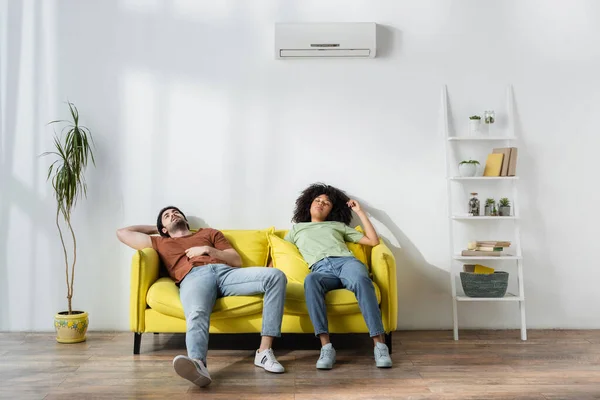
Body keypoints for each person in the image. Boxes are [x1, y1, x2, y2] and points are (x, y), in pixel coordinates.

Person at [116, 206, 287, 387]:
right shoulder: (160, 242)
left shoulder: (209, 233)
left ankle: (264, 351)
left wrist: (208, 250)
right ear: (163, 229)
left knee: (275, 276)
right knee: (197, 311)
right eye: (167, 216)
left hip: (226, 273)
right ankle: (198, 365)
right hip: (193, 277)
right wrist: (156, 229)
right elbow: (122, 232)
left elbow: (236, 261)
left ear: (185, 220)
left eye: (176, 212)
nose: (173, 215)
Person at [285, 183, 392, 369]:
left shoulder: (337, 226)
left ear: (332, 210)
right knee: (310, 280)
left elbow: (373, 241)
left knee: (361, 280)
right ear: (308, 205)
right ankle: (326, 348)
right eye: (317, 200)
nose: (321, 203)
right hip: (320, 269)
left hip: (346, 263)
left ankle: (379, 345)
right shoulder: (296, 230)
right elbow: (280, 253)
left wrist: (360, 212)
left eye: (326, 202)